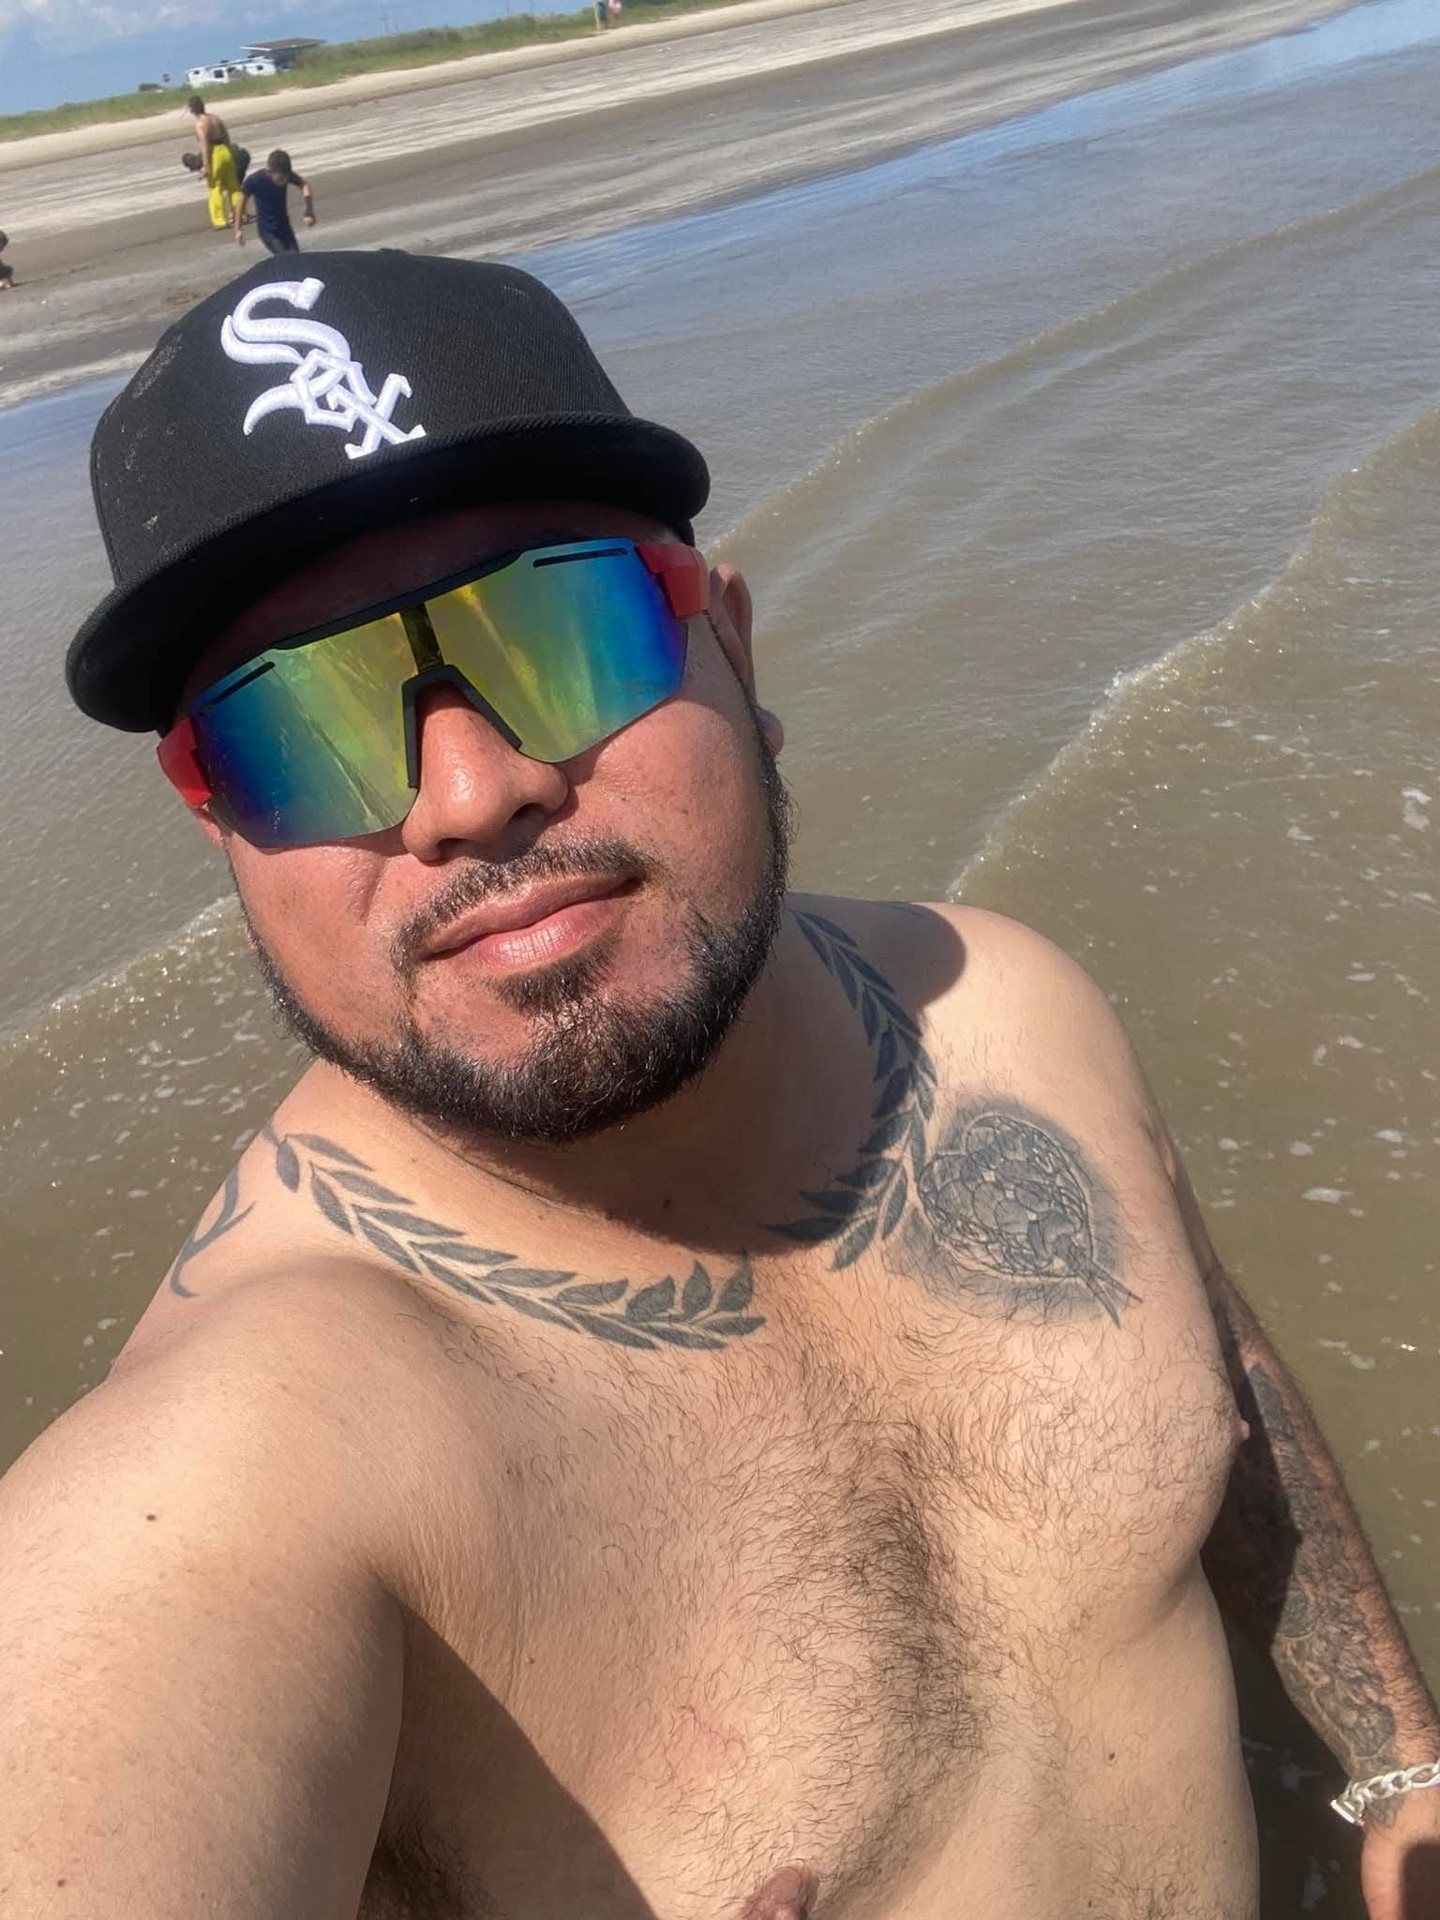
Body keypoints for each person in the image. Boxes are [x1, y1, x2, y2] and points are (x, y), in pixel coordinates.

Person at [6, 249, 1438, 1918]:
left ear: (736, 656)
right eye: (291, 724)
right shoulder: (227, 1481)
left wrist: (1404, 1769)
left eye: (559, 627)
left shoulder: (1012, 1016)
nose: (470, 792)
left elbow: (1224, 1398)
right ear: (221, 829)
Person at [235, 148, 316, 254]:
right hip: (268, 231)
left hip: (285, 227)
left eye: (286, 178)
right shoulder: (255, 180)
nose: (284, 181)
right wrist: (238, 229)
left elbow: (304, 185)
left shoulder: (285, 173)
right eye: (281, 179)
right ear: (269, 172)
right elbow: (241, 202)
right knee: (286, 257)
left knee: (296, 256)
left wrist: (309, 211)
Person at [187, 94, 241, 230]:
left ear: (192, 109)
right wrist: (229, 152)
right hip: (225, 150)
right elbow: (226, 136)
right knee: (233, 186)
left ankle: (220, 221)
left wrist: (206, 165)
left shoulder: (200, 124)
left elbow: (204, 144)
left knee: (215, 188)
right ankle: (240, 214)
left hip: (214, 153)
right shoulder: (215, 119)